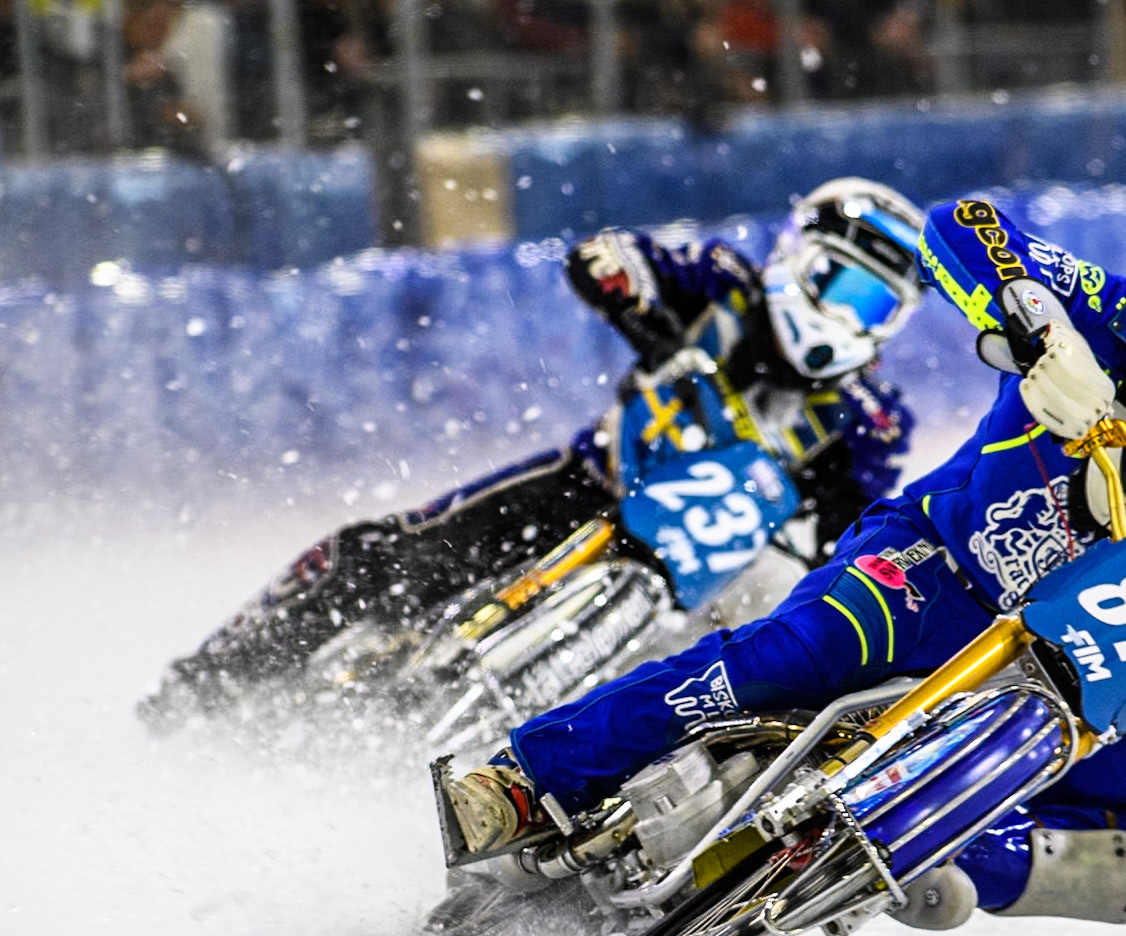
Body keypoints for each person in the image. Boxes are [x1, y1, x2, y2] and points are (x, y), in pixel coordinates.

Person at [439, 196, 1126, 933]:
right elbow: (963, 224)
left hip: (1049, 687)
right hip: (925, 574)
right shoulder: (1107, 317)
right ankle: (525, 780)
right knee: (776, 660)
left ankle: (934, 851)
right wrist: (1042, 335)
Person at [141, 177, 926, 730]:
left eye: (874, 306)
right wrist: (624, 287)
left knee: (699, 697)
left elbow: (854, 539)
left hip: (706, 582)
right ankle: (208, 682)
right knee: (386, 556)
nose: (845, 319)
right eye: (838, 285)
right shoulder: (723, 285)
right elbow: (612, 257)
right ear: (796, 258)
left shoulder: (870, 419)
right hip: (588, 481)